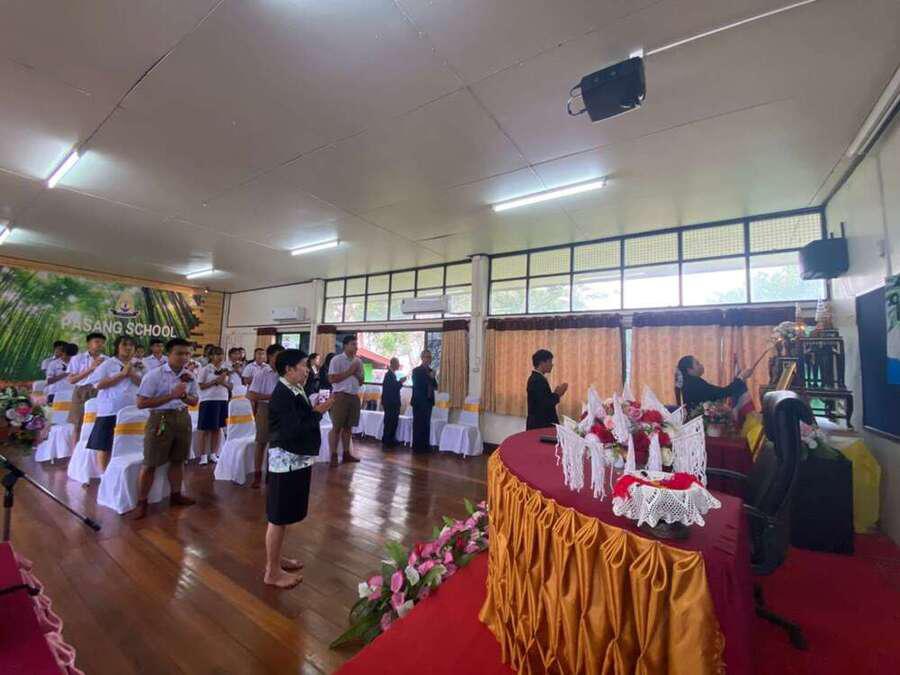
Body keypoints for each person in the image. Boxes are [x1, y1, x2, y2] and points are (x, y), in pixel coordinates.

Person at [264, 348, 334, 589]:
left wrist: (313, 410)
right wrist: (318, 413)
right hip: (286, 462)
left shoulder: (294, 388)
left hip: (296, 460)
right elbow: (292, 430)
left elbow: (300, 418)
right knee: (277, 517)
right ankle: (272, 571)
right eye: (304, 365)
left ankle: (277, 558)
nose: (308, 370)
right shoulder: (282, 394)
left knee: (284, 515)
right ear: (289, 369)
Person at [132, 338, 199, 520]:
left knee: (178, 460)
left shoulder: (190, 376)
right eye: (179, 353)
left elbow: (194, 401)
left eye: (187, 354)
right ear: (168, 354)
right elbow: (141, 403)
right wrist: (171, 395)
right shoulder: (154, 375)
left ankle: (176, 495)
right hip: (160, 419)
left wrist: (183, 396)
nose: (184, 357)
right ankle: (142, 502)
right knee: (150, 462)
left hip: (182, 417)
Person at [87, 336, 143, 472]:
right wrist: (121, 375)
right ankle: (103, 475)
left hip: (132, 411)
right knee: (105, 445)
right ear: (117, 347)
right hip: (110, 410)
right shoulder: (108, 363)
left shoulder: (140, 364)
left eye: (131, 345)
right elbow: (98, 384)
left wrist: (131, 374)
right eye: (124, 345)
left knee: (127, 444)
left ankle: (119, 474)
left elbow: (145, 384)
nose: (128, 348)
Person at [247, 344, 285, 488]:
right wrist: (271, 397)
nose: (280, 359)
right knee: (262, 442)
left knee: (276, 444)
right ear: (270, 357)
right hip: (265, 409)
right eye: (277, 356)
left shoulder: (285, 373)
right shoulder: (261, 373)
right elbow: (251, 395)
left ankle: (272, 473)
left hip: (281, 410)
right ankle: (257, 475)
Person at [327, 336, 364, 467]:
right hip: (340, 396)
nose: (356, 347)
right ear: (345, 345)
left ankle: (346, 453)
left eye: (356, 344)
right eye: (353, 344)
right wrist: (350, 371)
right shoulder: (336, 360)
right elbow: (331, 379)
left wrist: (357, 374)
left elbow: (361, 381)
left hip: (354, 396)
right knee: (337, 427)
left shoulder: (358, 361)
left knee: (348, 427)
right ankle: (333, 455)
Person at [675, 355, 752, 412]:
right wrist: (741, 377)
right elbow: (723, 392)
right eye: (697, 364)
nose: (701, 365)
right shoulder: (695, 383)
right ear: (689, 370)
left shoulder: (688, 383)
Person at [66, 332, 108, 439]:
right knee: (77, 424)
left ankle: (92, 449)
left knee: (98, 423)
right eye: (97, 342)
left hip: (100, 392)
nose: (100, 344)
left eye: (102, 342)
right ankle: (75, 449)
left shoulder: (108, 360)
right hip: (81, 392)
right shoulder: (77, 358)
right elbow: (71, 380)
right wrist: (91, 368)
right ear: (88, 344)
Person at [197, 346, 232, 465]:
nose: (220, 357)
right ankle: (203, 455)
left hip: (222, 399)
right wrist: (215, 381)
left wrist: (223, 382)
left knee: (217, 428)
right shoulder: (205, 369)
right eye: (217, 354)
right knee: (205, 429)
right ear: (211, 356)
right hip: (208, 400)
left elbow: (230, 386)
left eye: (222, 354)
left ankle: (213, 454)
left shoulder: (225, 370)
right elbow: (201, 386)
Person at [526, 349, 568, 431]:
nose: (552, 365)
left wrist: (555, 393)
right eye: (550, 362)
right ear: (542, 363)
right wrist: (557, 394)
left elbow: (543, 399)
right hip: (540, 425)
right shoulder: (537, 380)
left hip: (541, 423)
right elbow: (544, 404)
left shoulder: (538, 378)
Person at [411, 350, 438, 453]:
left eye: (429, 357)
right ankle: (417, 447)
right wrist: (430, 378)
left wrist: (433, 378)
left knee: (426, 424)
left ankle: (425, 446)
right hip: (419, 402)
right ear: (422, 358)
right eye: (426, 357)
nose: (428, 359)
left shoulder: (431, 371)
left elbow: (435, 386)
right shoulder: (416, 371)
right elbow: (418, 385)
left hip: (428, 401)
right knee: (418, 424)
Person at [381, 357, 406, 449]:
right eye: (397, 363)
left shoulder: (391, 374)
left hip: (390, 402)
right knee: (390, 421)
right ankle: (388, 440)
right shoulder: (389, 375)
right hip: (391, 402)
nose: (398, 365)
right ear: (393, 364)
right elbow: (394, 388)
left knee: (392, 421)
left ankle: (390, 439)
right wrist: (401, 382)